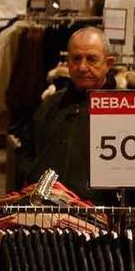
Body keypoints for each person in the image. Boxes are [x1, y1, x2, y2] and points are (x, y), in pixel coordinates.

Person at [15, 27, 118, 204]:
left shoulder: (128, 108)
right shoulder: (50, 104)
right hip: (48, 212)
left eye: (92, 59)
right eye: (76, 59)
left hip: (101, 216)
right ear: (67, 62)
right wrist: (35, 177)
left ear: (108, 63)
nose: (82, 67)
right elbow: (27, 148)